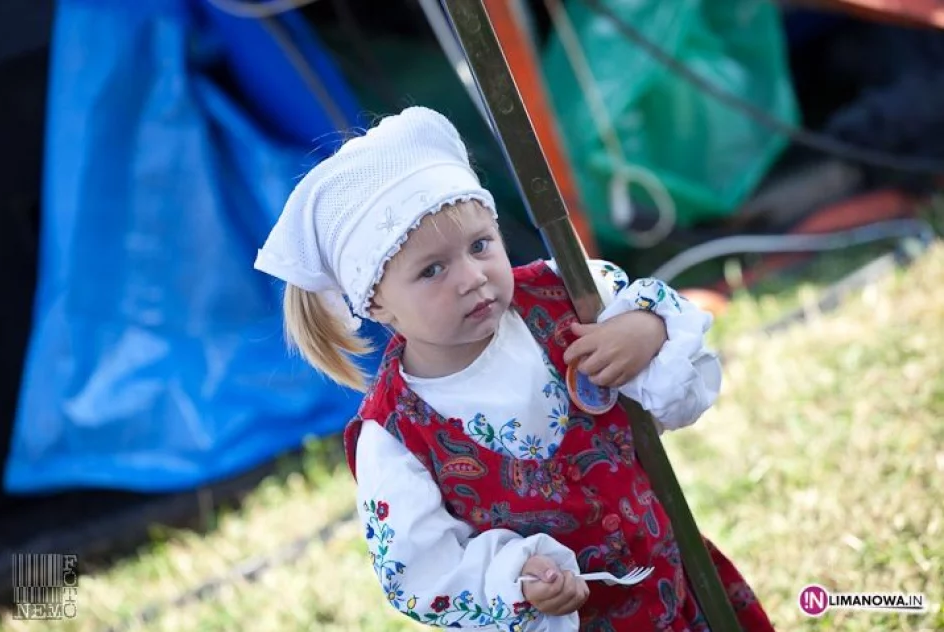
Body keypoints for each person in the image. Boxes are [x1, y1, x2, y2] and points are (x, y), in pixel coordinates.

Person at [254, 106, 774, 631]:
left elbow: (664, 322)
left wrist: (647, 329)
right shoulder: (393, 435)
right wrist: (518, 577)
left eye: (480, 245)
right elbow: (420, 572)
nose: (472, 277)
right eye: (432, 270)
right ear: (378, 305)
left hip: (676, 578)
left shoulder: (561, 293)